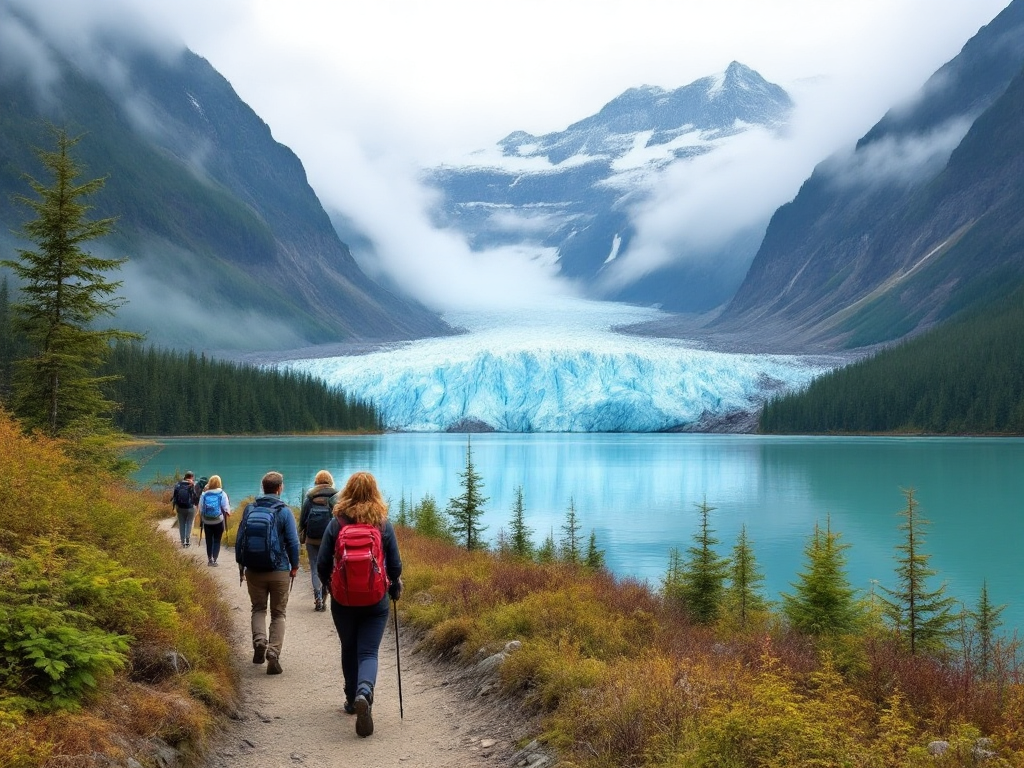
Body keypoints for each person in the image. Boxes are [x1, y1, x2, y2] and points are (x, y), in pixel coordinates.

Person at [317, 471, 403, 738]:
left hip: (343, 600)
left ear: (347, 491)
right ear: (374, 492)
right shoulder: (382, 524)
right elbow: (396, 565)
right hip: (375, 599)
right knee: (368, 652)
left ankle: (352, 698)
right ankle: (365, 691)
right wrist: (394, 584)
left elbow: (321, 564)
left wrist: (332, 587)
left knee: (349, 647)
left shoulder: (337, 523)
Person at [236, 471, 300, 675]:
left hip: (254, 569)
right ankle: (273, 653)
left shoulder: (250, 509)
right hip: (279, 570)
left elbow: (240, 539)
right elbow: (293, 542)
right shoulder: (284, 511)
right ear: (280, 488)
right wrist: (295, 565)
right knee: (279, 614)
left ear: (263, 487)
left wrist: (241, 564)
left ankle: (259, 641)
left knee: (258, 609)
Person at [299, 469, 338, 611]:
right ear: (330, 481)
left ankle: (318, 598)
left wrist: (301, 535)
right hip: (331, 540)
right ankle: (325, 596)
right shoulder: (336, 496)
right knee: (329, 568)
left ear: (316, 482)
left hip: (312, 539)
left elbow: (303, 519)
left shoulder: (310, 497)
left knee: (315, 567)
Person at [197, 474, 231, 566]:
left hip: (207, 521)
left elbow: (200, 507)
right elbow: (226, 507)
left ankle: (209, 559)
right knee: (217, 540)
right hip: (218, 520)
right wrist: (228, 513)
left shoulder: (204, 494)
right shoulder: (222, 493)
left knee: (209, 540)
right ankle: (215, 560)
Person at [171, 471, 199, 548]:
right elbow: (196, 496)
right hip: (190, 508)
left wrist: (175, 506)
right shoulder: (193, 484)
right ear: (192, 477)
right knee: (189, 523)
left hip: (180, 508)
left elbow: (174, 496)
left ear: (185, 476)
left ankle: (183, 542)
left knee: (182, 524)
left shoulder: (178, 484)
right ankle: (187, 540)